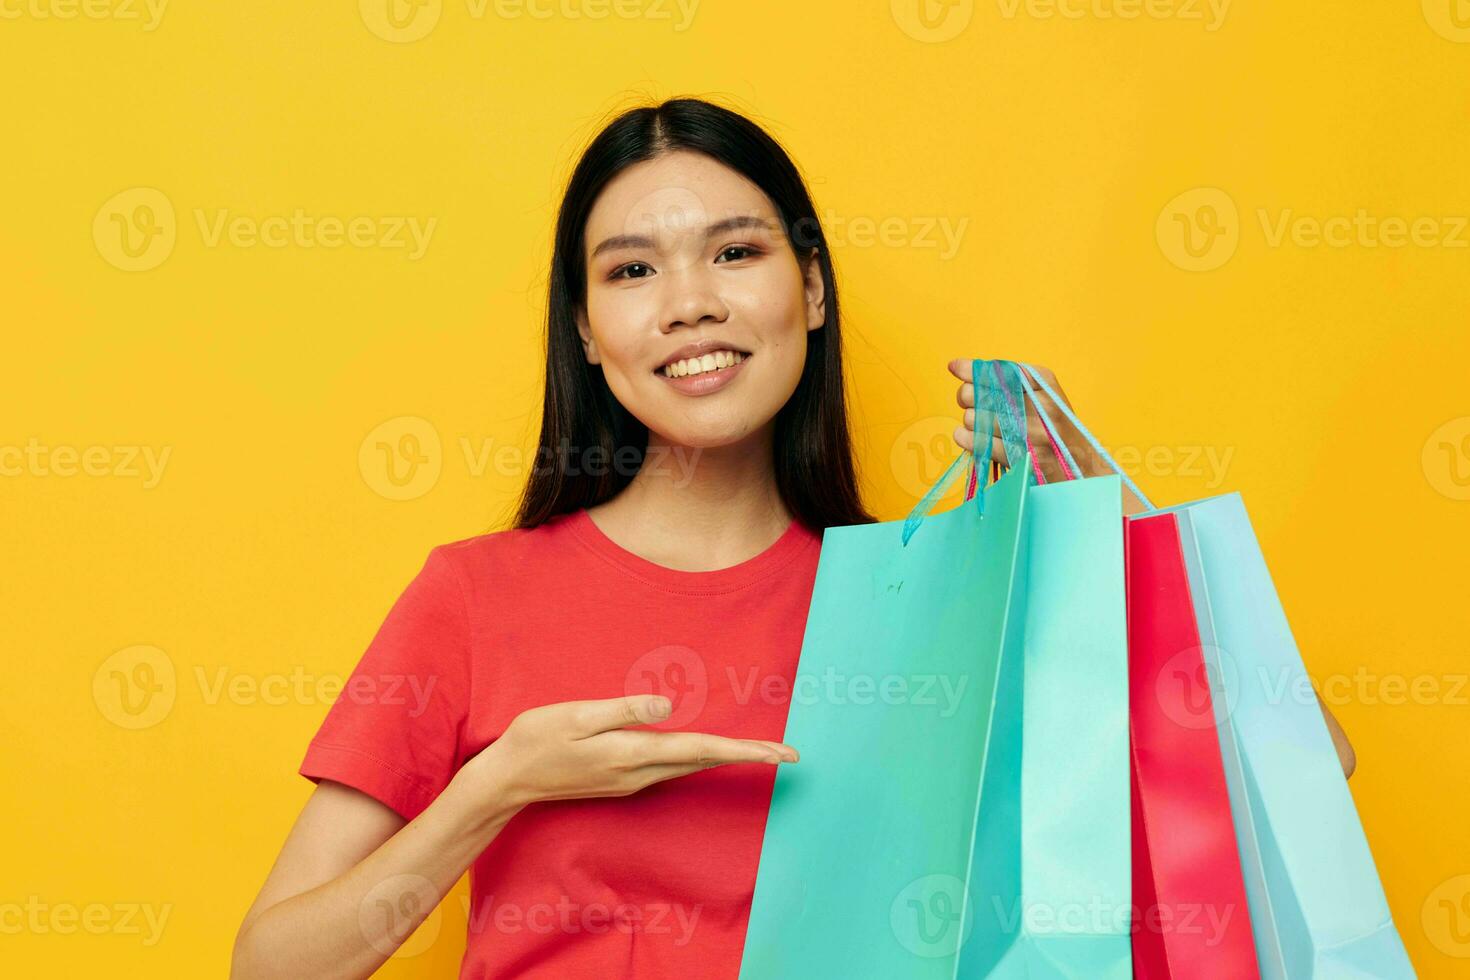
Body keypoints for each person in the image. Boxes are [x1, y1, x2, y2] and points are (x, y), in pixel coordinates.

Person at [230, 97, 1354, 979]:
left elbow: (1305, 779)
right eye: (632, 270)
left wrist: (1101, 525)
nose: (688, 303)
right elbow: (271, 964)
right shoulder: (476, 594)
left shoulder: (937, 599)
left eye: (735, 253)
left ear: (809, 290)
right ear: (586, 329)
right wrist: (501, 786)